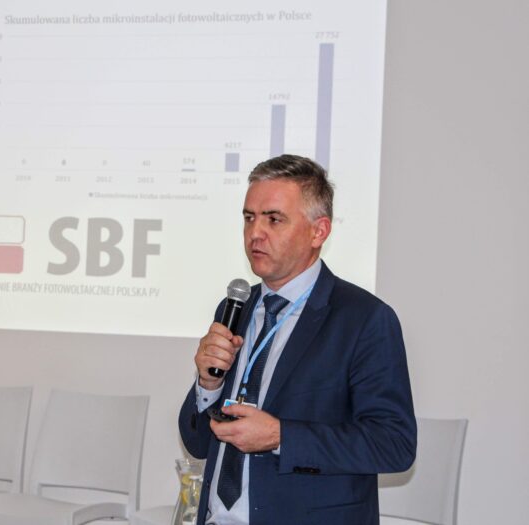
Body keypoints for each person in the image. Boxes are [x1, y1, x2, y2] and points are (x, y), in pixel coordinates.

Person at [178, 154, 416, 525]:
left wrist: (281, 437)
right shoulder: (235, 308)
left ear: (318, 231)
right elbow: (197, 444)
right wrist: (208, 385)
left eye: (273, 219)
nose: (255, 233)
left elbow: (394, 444)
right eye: (249, 218)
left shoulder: (364, 319)